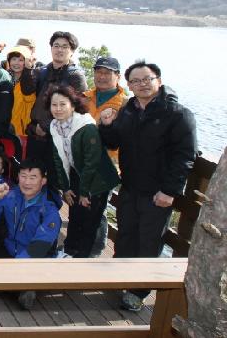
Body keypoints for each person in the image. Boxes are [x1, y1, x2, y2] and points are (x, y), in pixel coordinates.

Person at [99, 61, 197, 312]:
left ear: (158, 81)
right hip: (130, 186)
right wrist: (106, 125)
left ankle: (138, 291)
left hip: (157, 192)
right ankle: (120, 279)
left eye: (147, 79)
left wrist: (170, 191)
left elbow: (185, 156)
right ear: (129, 85)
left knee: (149, 242)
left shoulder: (177, 114)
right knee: (126, 235)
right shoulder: (129, 109)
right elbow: (113, 142)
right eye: (136, 81)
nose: (142, 84)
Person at [48, 86, 119, 258]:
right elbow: (58, 159)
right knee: (75, 215)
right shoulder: (55, 126)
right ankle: (69, 251)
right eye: (54, 105)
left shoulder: (86, 126)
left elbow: (92, 162)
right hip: (78, 174)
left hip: (98, 179)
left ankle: (82, 259)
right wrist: (66, 188)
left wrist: (84, 192)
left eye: (62, 104)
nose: (58, 109)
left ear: (73, 105)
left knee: (90, 222)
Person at [0, 158, 62, 309]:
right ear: (18, 177)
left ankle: (22, 286)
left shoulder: (49, 211)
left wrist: (14, 266)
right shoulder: (11, 195)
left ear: (43, 181)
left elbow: (38, 248)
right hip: (10, 249)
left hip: (33, 259)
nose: (27, 182)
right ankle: (21, 288)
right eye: (23, 176)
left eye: (33, 177)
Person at [24, 31, 87, 181]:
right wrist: (28, 69)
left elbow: (76, 108)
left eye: (65, 47)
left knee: (55, 180)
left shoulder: (75, 75)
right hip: (35, 132)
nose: (60, 50)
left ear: (72, 51)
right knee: (31, 176)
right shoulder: (43, 71)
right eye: (56, 46)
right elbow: (27, 90)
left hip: (59, 137)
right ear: (51, 48)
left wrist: (46, 127)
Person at [83, 56, 128, 257]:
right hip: (83, 161)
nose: (101, 76)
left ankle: (95, 249)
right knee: (83, 205)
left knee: (98, 209)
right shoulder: (85, 97)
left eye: (107, 73)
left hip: (107, 164)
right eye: (98, 72)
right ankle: (80, 244)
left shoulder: (125, 104)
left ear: (117, 76)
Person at [7, 45, 36, 147]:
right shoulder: (5, 79)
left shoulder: (31, 78)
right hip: (5, 128)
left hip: (22, 130)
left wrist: (28, 70)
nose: (16, 63)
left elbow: (29, 97)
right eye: (14, 59)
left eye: (21, 60)